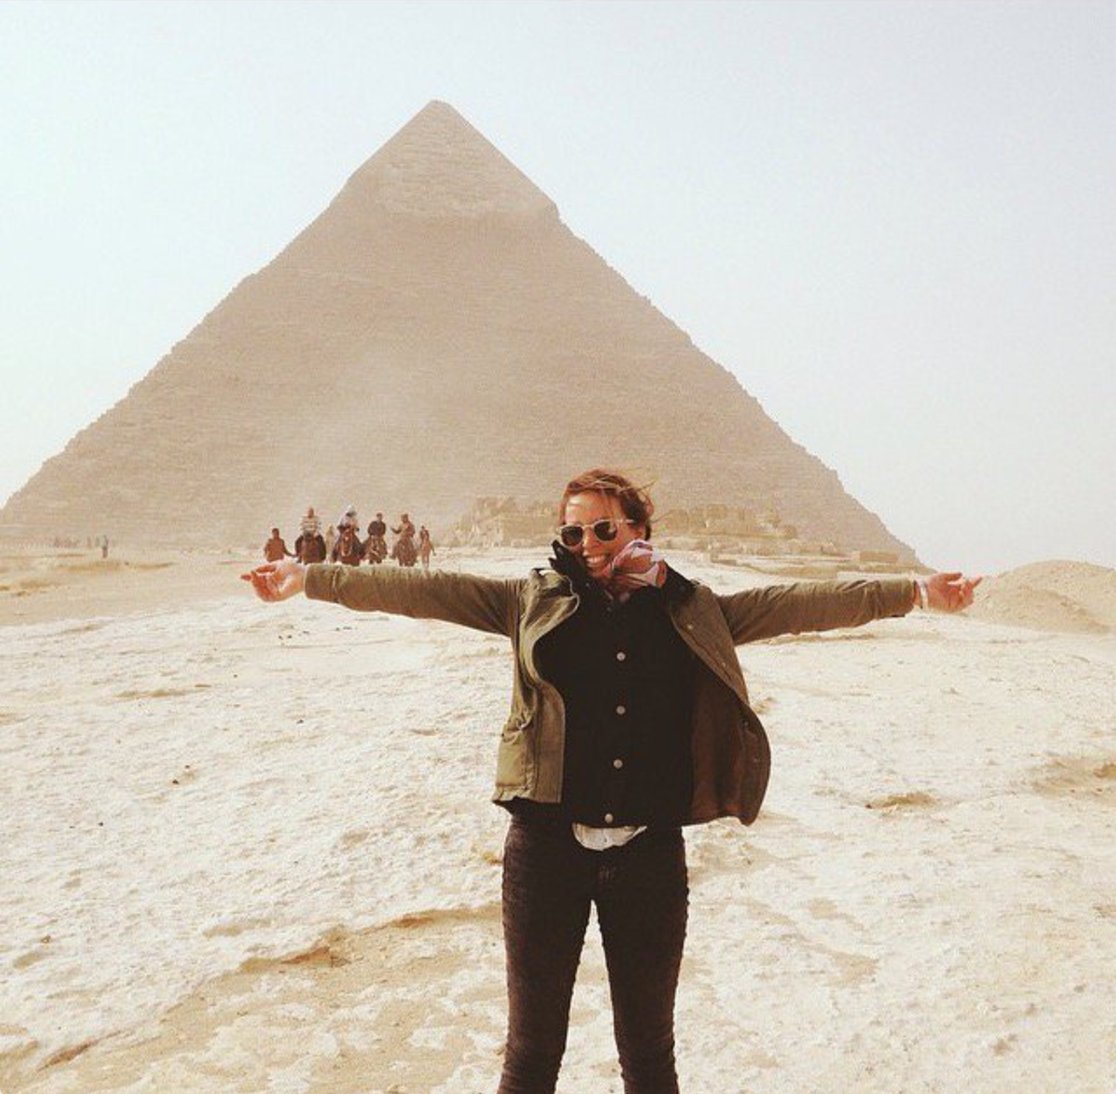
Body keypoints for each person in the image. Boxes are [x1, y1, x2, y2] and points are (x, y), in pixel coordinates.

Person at [242, 468, 979, 1093]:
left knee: (649, 1057)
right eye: (573, 533)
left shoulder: (693, 611)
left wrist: (915, 592)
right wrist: (309, 579)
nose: (588, 545)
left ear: (638, 528)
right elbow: (423, 590)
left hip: (649, 855)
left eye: (603, 529)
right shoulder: (528, 600)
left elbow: (803, 604)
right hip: (544, 852)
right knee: (531, 1055)